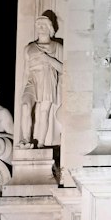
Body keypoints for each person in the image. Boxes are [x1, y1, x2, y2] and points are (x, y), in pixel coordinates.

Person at [19, 15, 64, 148]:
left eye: (43, 25)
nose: (41, 28)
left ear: (50, 28)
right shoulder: (29, 48)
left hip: (47, 78)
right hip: (32, 79)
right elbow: (26, 71)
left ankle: (41, 143)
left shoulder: (56, 46)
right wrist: (23, 87)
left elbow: (63, 68)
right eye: (38, 26)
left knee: (43, 113)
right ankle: (26, 139)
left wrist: (48, 59)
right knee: (25, 106)